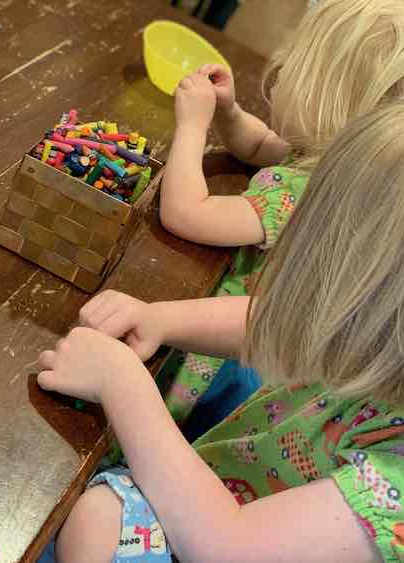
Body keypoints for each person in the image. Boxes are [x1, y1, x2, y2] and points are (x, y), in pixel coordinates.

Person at [38, 103, 404, 562]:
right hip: (223, 498)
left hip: (222, 539)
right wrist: (160, 319)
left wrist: (122, 383)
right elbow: (287, 321)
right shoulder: (376, 340)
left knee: (100, 519)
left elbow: (230, 548)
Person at [158, 0, 404, 428]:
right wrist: (229, 112)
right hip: (257, 348)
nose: (280, 67)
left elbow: (186, 213)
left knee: (163, 423)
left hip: (216, 360)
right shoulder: (327, 162)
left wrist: (192, 127)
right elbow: (259, 145)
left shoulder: (299, 192)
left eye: (293, 62)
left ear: (323, 98)